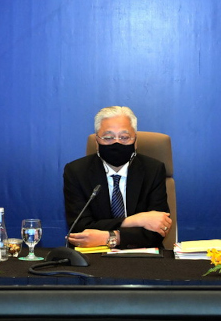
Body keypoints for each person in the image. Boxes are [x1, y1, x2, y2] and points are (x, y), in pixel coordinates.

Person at [63, 106, 171, 249]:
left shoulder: (153, 170)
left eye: (124, 137)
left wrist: (110, 237)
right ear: (96, 142)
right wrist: (134, 220)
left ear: (135, 141)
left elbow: (158, 228)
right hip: (92, 255)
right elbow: (79, 229)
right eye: (108, 138)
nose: (116, 143)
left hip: (141, 255)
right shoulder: (76, 172)